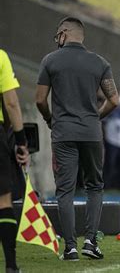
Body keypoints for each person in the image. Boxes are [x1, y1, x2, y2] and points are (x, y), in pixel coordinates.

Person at [36, 17, 119, 260]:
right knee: (94, 186)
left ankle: (70, 247)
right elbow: (113, 100)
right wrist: (96, 117)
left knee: (65, 191)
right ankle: (91, 242)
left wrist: (51, 120)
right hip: (91, 133)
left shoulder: (50, 60)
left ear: (63, 33)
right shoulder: (99, 62)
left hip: (63, 133)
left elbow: (40, 99)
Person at [0, 49, 29, 273]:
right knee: (3, 201)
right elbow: (11, 103)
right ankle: (11, 266)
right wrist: (20, 141)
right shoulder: (0, 57)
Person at [102, 96, 120, 189]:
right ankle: (107, 184)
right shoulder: (110, 112)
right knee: (110, 164)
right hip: (111, 141)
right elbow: (103, 121)